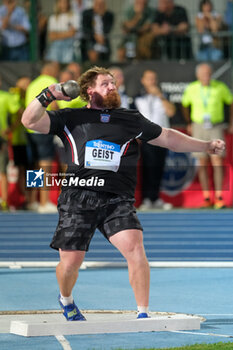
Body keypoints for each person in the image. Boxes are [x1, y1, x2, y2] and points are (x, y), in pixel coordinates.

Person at [22, 66, 225, 321]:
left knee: (135, 248)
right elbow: (28, 121)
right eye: (106, 83)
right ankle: (66, 299)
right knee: (71, 263)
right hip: (78, 198)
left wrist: (205, 145)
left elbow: (169, 138)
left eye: (113, 83)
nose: (112, 87)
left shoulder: (130, 119)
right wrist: (48, 96)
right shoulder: (71, 118)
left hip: (117, 199)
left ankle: (143, 312)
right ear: (89, 90)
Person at [182, 63, 233, 209]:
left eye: (209, 73)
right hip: (198, 126)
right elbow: (185, 105)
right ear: (198, 75)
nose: (206, 76)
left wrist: (231, 122)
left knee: (217, 161)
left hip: (215, 126)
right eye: (203, 74)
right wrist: (189, 122)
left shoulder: (220, 87)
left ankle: (219, 197)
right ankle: (206, 197)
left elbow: (230, 103)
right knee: (202, 163)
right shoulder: (192, 88)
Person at [135, 70, 175, 210]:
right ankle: (146, 199)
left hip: (162, 136)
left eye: (154, 78)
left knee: (159, 167)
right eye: (149, 79)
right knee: (147, 167)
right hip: (145, 137)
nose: (152, 81)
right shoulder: (137, 97)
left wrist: (160, 96)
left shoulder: (164, 96)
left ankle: (156, 198)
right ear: (143, 80)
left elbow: (171, 112)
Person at [25, 62, 60, 213]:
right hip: (42, 127)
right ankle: (44, 202)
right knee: (45, 165)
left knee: (36, 165)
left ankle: (33, 200)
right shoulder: (51, 82)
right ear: (50, 70)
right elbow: (55, 106)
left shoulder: (33, 83)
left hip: (29, 129)